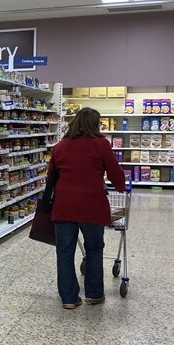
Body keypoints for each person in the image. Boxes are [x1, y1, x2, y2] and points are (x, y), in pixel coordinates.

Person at [48, 107, 126, 309]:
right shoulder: (101, 144)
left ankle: (69, 298)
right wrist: (120, 186)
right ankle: (94, 294)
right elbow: (115, 173)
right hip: (92, 205)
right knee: (94, 248)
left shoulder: (60, 146)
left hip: (64, 205)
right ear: (95, 124)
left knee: (64, 252)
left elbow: (51, 177)